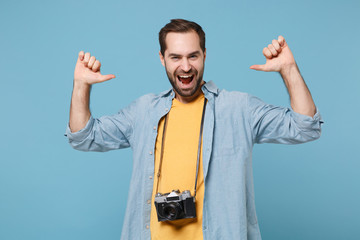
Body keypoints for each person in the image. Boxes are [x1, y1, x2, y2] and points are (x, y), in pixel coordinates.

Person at [65, 19, 323, 240]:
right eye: (175, 57)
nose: (185, 66)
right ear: (162, 58)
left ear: (205, 55)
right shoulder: (143, 112)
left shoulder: (238, 108)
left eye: (193, 56)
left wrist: (288, 70)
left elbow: (305, 127)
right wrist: (81, 86)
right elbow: (83, 137)